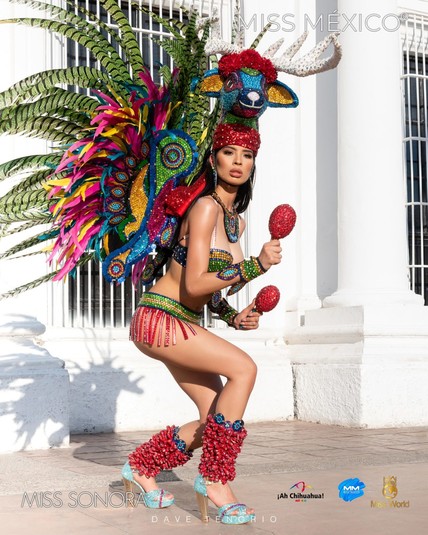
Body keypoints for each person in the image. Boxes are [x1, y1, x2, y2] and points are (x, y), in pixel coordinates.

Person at [121, 122, 282, 524]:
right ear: (213, 159)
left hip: (183, 320)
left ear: (253, 164)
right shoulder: (205, 207)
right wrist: (256, 265)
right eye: (229, 153)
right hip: (160, 318)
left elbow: (208, 291)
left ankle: (141, 466)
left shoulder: (236, 221)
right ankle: (215, 481)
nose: (238, 162)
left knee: (215, 421)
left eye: (247, 155)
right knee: (244, 369)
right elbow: (192, 283)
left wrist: (232, 315)